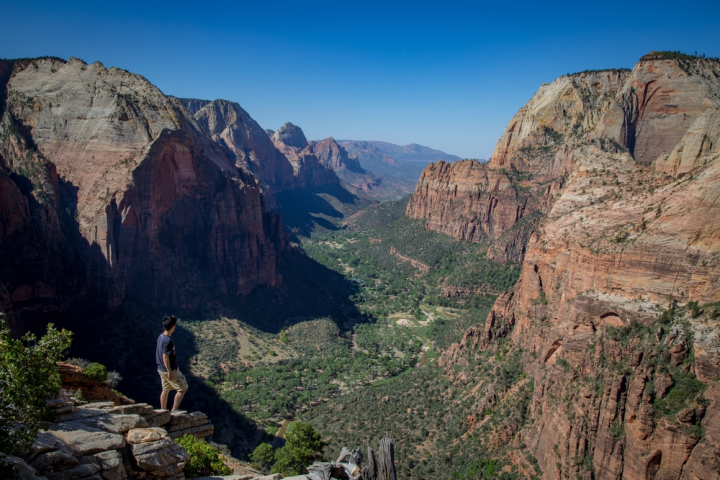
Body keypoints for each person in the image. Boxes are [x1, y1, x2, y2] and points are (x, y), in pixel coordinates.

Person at [156, 315, 188, 411]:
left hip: (160, 369)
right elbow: (165, 357)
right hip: (169, 370)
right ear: (173, 326)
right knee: (183, 388)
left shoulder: (161, 336)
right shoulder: (167, 341)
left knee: (165, 390)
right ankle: (174, 409)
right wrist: (169, 371)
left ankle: (163, 411)